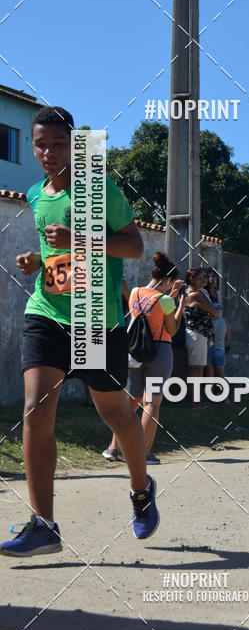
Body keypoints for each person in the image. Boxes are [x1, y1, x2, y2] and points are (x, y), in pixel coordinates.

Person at [1, 106, 159, 557]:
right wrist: (38, 260)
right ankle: (44, 524)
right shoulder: (35, 194)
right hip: (46, 312)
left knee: (115, 416)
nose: (48, 152)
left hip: (95, 322)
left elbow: (133, 245)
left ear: (74, 145)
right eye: (40, 144)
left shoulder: (99, 190)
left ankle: (141, 487)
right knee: (35, 409)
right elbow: (55, 250)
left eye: (57, 143)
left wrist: (78, 241)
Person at [103, 252, 185, 464]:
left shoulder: (135, 293)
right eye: (170, 282)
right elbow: (172, 329)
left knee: (130, 401)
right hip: (159, 351)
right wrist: (180, 305)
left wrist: (171, 298)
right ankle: (145, 453)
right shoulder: (166, 300)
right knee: (152, 404)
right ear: (167, 280)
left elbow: (147, 315)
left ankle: (113, 448)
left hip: (134, 350)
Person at [184, 267, 217, 409]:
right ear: (192, 279)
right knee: (196, 369)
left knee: (198, 369)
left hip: (200, 333)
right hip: (196, 334)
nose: (204, 280)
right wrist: (210, 313)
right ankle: (194, 402)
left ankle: (197, 400)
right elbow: (214, 310)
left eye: (205, 277)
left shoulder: (199, 293)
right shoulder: (196, 295)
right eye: (201, 277)